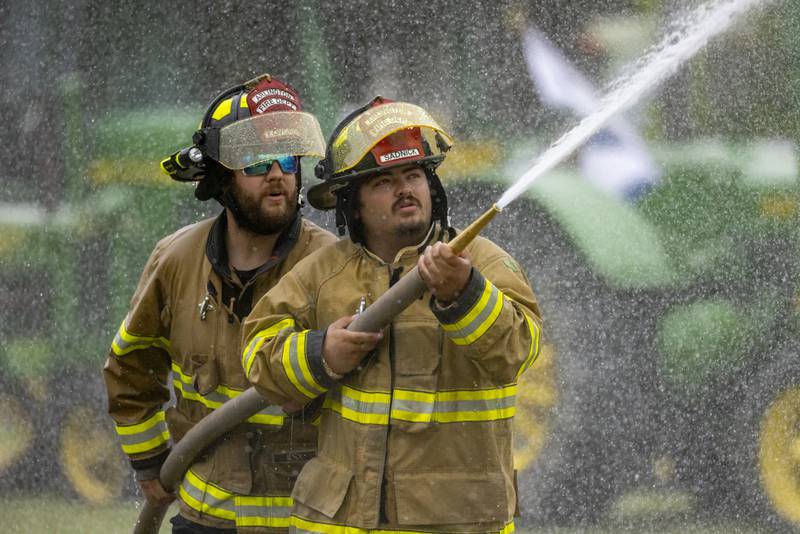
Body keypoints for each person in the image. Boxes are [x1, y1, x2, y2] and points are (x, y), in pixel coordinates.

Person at [240, 97, 542, 533]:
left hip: (454, 521)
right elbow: (257, 355)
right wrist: (320, 353)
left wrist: (464, 294)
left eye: (414, 175)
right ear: (354, 204)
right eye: (383, 180)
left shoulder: (483, 263)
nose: (405, 189)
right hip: (341, 522)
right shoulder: (323, 274)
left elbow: (519, 351)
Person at [102, 74, 336, 533]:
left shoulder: (331, 265)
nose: (276, 174)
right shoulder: (175, 260)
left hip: (304, 520)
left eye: (287, 159)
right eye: (255, 161)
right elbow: (131, 366)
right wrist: (151, 465)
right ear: (220, 176)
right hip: (202, 519)